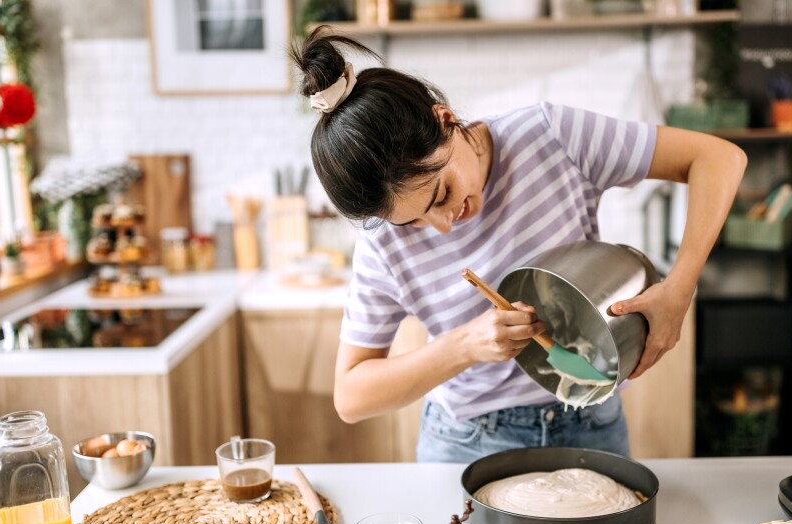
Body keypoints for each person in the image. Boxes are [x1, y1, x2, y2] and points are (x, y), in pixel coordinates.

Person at [290, 26, 746, 463]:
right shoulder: (383, 246)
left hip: (591, 424)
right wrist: (467, 344)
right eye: (414, 222)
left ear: (445, 120)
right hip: (466, 444)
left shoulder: (551, 137)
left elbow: (718, 158)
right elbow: (351, 397)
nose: (444, 226)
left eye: (443, 193)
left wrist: (680, 288)